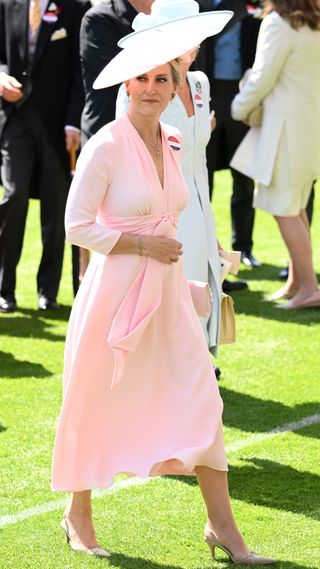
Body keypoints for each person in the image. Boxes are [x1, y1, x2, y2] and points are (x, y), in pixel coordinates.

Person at [51, 1, 275, 564]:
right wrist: (141, 243)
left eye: (162, 78)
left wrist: (213, 252)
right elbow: (75, 226)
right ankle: (78, 514)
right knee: (93, 401)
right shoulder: (104, 145)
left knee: (203, 401)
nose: (151, 88)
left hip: (171, 294)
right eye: (141, 79)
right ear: (126, 84)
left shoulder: (173, 144)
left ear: (176, 84)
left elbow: (179, 207)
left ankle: (224, 528)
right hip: (115, 294)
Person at [116, 47, 226, 372]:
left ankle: (198, 358)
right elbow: (126, 146)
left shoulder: (201, 83)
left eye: (196, 39)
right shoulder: (147, 84)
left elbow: (199, 153)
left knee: (203, 279)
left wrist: (209, 222)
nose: (189, 48)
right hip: (161, 205)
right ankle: (173, 365)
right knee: (171, 285)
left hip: (201, 199)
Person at [0, 0, 91, 313]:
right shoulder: (6, 4)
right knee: (13, 198)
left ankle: (47, 293)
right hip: (14, 120)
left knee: (56, 209)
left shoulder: (76, 7)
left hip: (57, 126)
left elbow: (82, 68)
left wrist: (73, 121)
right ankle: (4, 290)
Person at [231, 0, 320, 309]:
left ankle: (309, 287)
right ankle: (296, 283)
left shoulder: (279, 23)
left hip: (285, 130)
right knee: (295, 206)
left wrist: (238, 107)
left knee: (284, 207)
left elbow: (261, 76)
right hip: (308, 129)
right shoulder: (313, 22)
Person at [197, 0, 262, 272]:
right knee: (203, 176)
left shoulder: (251, 5)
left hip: (242, 98)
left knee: (245, 176)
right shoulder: (196, 5)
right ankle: (204, 247)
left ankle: (244, 247)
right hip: (204, 96)